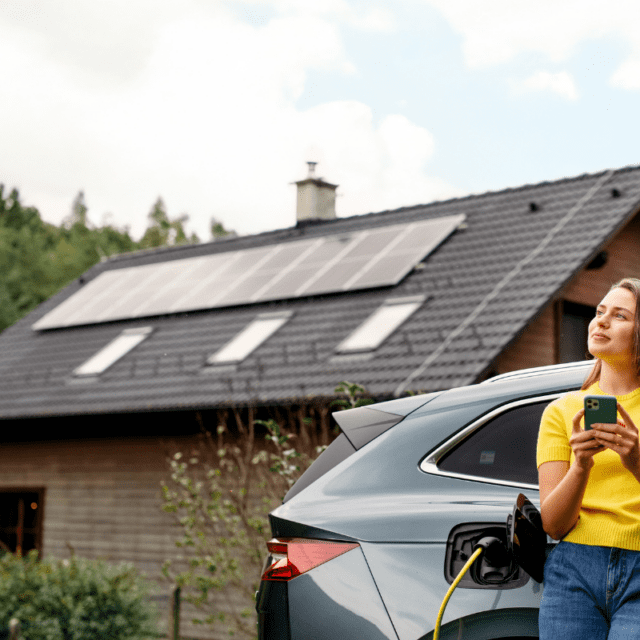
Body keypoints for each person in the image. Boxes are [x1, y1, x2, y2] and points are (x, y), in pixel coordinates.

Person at [537, 277, 640, 639]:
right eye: (599, 312)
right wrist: (580, 466)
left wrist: (636, 461)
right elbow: (553, 524)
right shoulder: (560, 412)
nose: (602, 321)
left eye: (620, 315)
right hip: (574, 566)